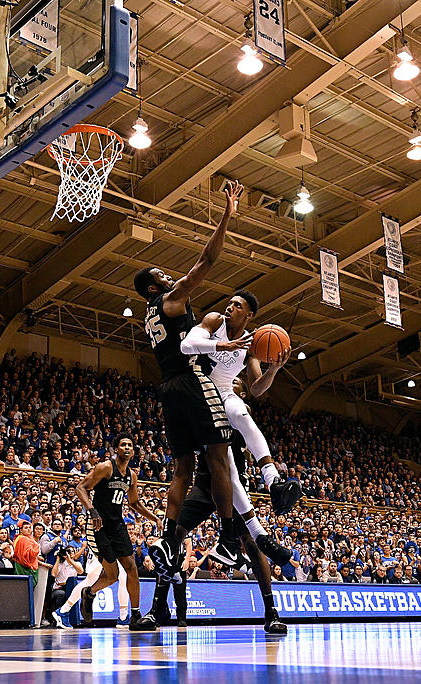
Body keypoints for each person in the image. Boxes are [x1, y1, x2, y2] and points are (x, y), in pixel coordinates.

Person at [132, 180, 245, 577]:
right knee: (218, 457)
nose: (169, 276)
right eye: (162, 275)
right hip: (191, 380)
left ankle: (167, 538)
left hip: (167, 388)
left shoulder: (149, 317)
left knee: (182, 468)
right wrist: (227, 215)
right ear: (152, 287)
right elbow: (205, 262)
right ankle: (229, 538)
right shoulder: (169, 300)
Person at [143, 441, 287, 634]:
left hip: (235, 487)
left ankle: (271, 611)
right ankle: (157, 608)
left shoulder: (236, 417)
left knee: (251, 543)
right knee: (172, 539)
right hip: (204, 484)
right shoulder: (204, 414)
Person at [181, 291, 302, 514]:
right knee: (223, 461)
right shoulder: (215, 321)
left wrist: (273, 370)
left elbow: (256, 389)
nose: (230, 308)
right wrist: (223, 346)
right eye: (230, 304)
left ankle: (273, 481)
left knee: (242, 415)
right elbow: (187, 345)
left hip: (225, 391)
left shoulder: (250, 345)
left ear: (249, 314)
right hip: (199, 388)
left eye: (237, 306)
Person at [75, 434, 159, 631]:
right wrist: (92, 510)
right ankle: (89, 592)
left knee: (131, 568)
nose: (127, 447)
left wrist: (154, 517)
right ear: (116, 449)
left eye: (130, 444)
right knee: (112, 575)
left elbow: (134, 502)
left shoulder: (132, 475)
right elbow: (81, 488)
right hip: (98, 525)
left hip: (118, 524)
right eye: (123, 445)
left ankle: (136, 615)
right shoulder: (105, 467)